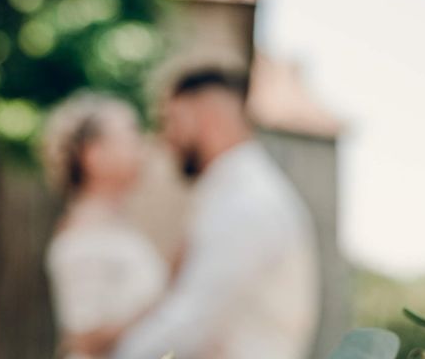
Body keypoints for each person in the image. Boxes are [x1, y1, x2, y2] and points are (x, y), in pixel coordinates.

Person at [112, 63, 320, 359]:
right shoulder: (229, 194)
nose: (165, 137)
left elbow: (195, 316)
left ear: (206, 118)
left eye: (172, 120)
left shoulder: (247, 201)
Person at [41, 91, 168, 359]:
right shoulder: (84, 236)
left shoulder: (114, 226)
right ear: (93, 154)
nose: (142, 145)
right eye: (130, 135)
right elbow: (84, 340)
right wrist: (168, 301)